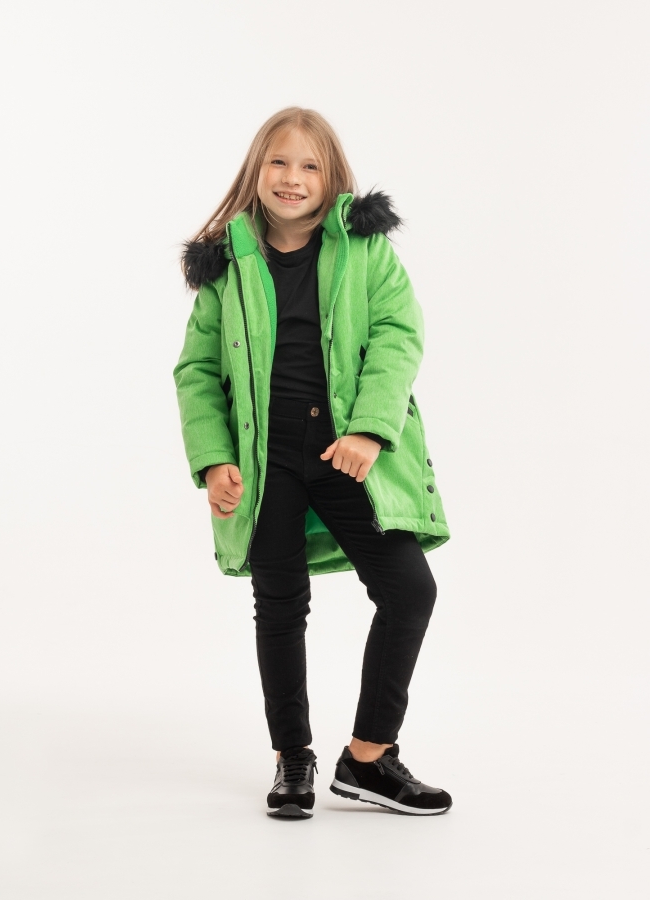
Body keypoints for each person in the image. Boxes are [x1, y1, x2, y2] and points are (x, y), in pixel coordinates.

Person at [173, 107, 452, 819]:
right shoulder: (226, 264)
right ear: (255, 171)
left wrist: (369, 431)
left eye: (309, 165)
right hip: (265, 463)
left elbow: (397, 335)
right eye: (278, 162)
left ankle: (369, 757)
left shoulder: (365, 249)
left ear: (332, 178)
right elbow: (197, 371)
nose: (292, 178)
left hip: (344, 453)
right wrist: (213, 459)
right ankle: (291, 757)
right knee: (279, 604)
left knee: (408, 590)